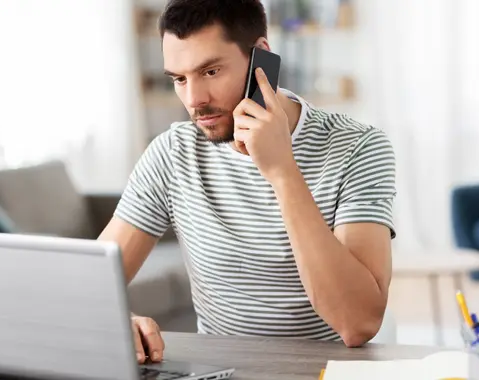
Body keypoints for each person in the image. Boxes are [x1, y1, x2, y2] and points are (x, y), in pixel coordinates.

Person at [98, 0, 397, 364]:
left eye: (210, 72)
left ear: (262, 59)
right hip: (217, 372)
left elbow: (358, 322)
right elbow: (90, 286)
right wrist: (118, 321)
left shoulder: (358, 148)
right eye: (179, 78)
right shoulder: (172, 154)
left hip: (323, 371)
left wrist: (281, 170)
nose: (194, 100)